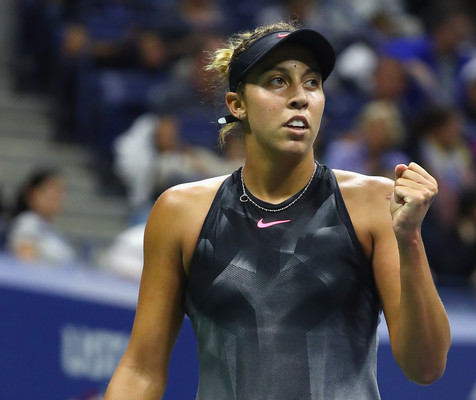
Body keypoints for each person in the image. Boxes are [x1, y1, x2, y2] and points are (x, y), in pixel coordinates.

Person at [105, 22, 450, 399]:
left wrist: (410, 240)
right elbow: (141, 369)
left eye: (312, 82)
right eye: (277, 81)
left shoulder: (375, 204)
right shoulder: (180, 212)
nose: (300, 97)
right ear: (237, 105)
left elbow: (426, 366)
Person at [7, 167, 76, 265]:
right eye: (52, 190)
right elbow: (25, 264)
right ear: (33, 194)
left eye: (61, 191)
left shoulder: (51, 229)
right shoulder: (27, 222)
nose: (57, 196)